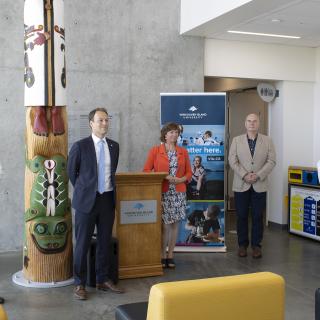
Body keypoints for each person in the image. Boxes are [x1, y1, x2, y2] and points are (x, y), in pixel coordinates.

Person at [67, 107, 123, 300]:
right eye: (100, 120)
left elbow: (111, 172)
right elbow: (71, 173)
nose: (104, 123)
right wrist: (86, 190)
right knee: (82, 244)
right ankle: (79, 284)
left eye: (107, 120)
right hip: (86, 202)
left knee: (104, 242)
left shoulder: (114, 146)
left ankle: (102, 279)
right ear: (91, 123)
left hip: (107, 200)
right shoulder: (80, 146)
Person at [143, 122, 192, 268]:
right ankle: (161, 255)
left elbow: (189, 173)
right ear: (165, 134)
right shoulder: (155, 151)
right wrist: (163, 177)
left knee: (175, 225)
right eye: (171, 132)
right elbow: (146, 170)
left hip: (178, 192)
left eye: (176, 132)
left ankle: (170, 255)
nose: (174, 135)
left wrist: (181, 179)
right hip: (163, 192)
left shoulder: (183, 151)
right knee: (165, 226)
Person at [228, 113, 276, 259]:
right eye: (249, 121)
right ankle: (242, 245)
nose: (252, 123)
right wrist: (245, 174)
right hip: (241, 184)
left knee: (257, 216)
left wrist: (258, 175)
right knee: (241, 215)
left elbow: (272, 161)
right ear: (245, 123)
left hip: (259, 183)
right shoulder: (236, 140)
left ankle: (256, 246)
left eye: (254, 121)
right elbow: (232, 160)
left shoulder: (267, 140)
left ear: (258, 123)